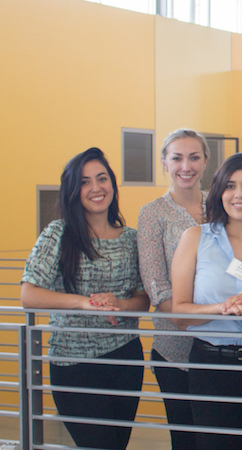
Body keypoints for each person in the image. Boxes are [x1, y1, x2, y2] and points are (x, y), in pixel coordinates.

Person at [20, 147, 149, 449]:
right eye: (85, 182)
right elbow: (29, 294)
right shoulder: (59, 233)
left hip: (125, 358)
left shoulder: (131, 238)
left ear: (112, 185)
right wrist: (83, 302)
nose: (96, 188)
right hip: (74, 363)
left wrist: (121, 304)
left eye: (101, 178)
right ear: (73, 191)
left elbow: (143, 298)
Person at [172, 153, 242, 450]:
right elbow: (179, 314)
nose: (239, 194)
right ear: (219, 192)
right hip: (211, 367)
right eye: (230, 186)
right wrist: (222, 308)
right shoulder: (195, 237)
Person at [138, 128, 209, 449]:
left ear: (206, 161)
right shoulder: (153, 214)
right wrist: (191, 318)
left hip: (222, 345)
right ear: (164, 163)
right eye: (177, 158)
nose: (186, 166)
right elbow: (156, 285)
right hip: (175, 348)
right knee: (186, 438)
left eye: (194, 157)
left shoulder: (222, 204)